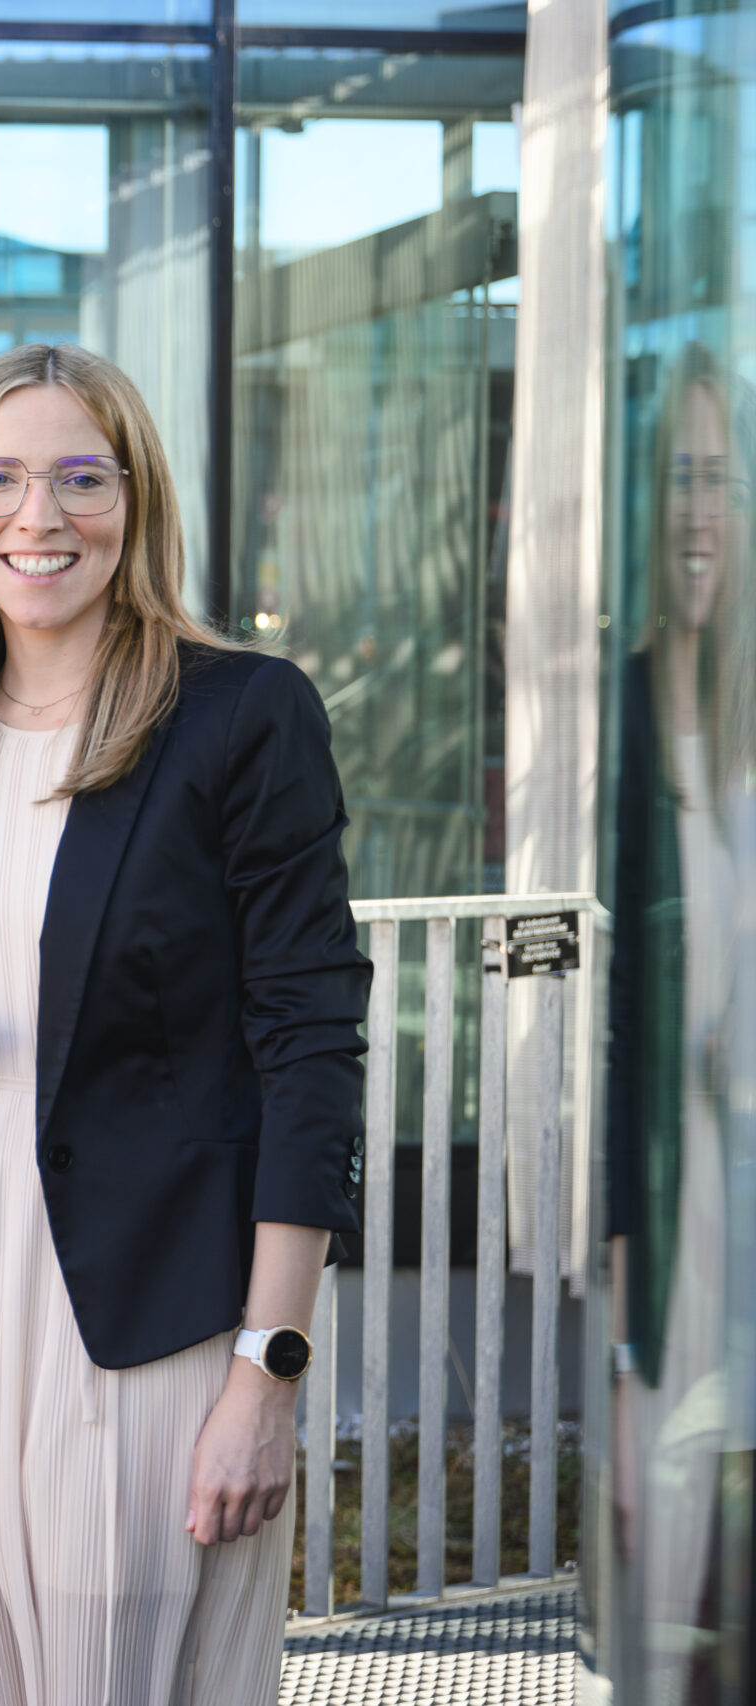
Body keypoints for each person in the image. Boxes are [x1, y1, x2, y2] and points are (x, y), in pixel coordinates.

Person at [0, 342, 366, 1704]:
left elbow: (311, 1045)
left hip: (148, 1311)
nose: (41, 517)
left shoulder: (241, 716)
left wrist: (269, 1369)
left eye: (83, 478)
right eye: (2, 478)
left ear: (136, 502)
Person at [608, 342, 748, 1706]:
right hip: (687, 1187)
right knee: (678, 1530)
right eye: (676, 479)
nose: (699, 509)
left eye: (721, 477)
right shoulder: (626, 711)